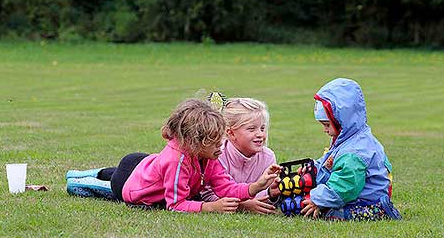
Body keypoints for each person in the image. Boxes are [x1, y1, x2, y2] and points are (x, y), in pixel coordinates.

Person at [67, 99, 281, 213]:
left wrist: (258, 185)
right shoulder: (177, 160)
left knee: (118, 170)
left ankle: (86, 174)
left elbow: (225, 187)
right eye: (216, 142)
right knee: (106, 186)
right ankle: (77, 179)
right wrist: (209, 207)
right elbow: (176, 205)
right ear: (198, 143)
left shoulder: (209, 156)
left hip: (144, 165)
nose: (222, 146)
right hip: (131, 187)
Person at [300, 78, 401, 220]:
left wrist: (317, 200)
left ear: (341, 119)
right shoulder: (347, 138)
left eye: (327, 124)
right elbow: (330, 161)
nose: (325, 130)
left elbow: (345, 186)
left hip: (370, 203)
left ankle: (383, 212)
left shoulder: (354, 152)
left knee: (331, 214)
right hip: (359, 197)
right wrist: (314, 169)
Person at [200, 98, 281, 214]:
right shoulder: (217, 155)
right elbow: (207, 193)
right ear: (231, 133)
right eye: (251, 129)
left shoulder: (268, 157)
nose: (260, 134)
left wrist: (270, 193)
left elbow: (262, 192)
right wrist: (241, 206)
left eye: (262, 128)